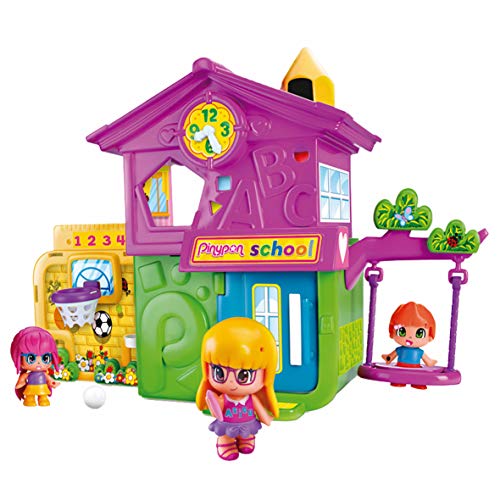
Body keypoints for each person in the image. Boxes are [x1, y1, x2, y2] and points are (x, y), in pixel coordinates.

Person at [196, 317, 279, 460]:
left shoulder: (252, 398)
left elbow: (260, 410)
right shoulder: (224, 398)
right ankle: (226, 442)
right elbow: (217, 409)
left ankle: (245, 439)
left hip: (248, 425)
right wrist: (213, 402)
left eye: (244, 375)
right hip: (227, 425)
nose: (231, 382)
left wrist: (266, 418)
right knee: (226, 435)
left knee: (248, 435)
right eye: (219, 372)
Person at [382, 302, 437, 389]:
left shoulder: (419, 352)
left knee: (417, 377)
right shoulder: (400, 350)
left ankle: (417, 382)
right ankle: (399, 381)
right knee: (399, 377)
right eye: (402, 332)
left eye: (419, 334)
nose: (410, 337)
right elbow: (391, 356)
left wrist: (430, 362)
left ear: (429, 335)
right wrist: (388, 358)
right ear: (392, 331)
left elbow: (427, 360)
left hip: (416, 370)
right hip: (400, 368)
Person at [11, 326, 60, 406]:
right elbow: (22, 379)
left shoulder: (44, 374)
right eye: (31, 358)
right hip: (30, 388)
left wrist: (52, 383)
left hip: (42, 387)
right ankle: (29, 399)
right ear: (20, 359)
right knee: (29, 396)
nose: (39, 363)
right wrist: (20, 383)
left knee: (43, 396)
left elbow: (49, 380)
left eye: (45, 358)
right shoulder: (27, 374)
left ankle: (43, 399)